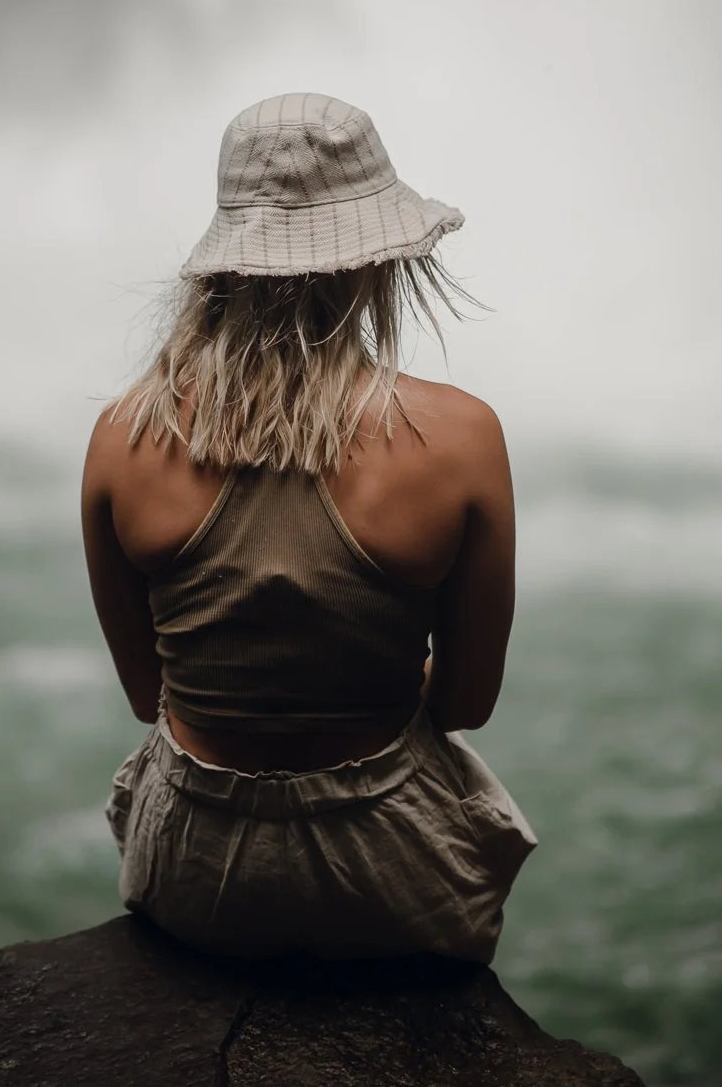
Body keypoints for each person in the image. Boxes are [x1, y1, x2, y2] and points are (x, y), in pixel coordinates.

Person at [82, 92, 535, 961]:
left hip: (189, 870)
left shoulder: (122, 434)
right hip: (387, 875)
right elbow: (465, 704)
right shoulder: (460, 435)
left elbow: (152, 697)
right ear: (375, 261)